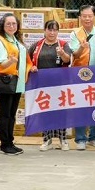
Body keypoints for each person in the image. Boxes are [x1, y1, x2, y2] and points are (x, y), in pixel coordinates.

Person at [68, 4, 95, 150]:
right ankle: (80, 138)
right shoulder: (75, 34)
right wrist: (82, 48)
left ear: (94, 17)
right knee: (81, 106)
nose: (87, 19)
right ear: (80, 17)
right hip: (80, 75)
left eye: (90, 16)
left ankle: (94, 137)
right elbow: (74, 55)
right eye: (84, 16)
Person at [31, 20, 71, 151]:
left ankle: (62, 139)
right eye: (49, 29)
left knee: (60, 112)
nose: (52, 32)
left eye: (55, 30)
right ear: (44, 30)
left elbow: (68, 60)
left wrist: (62, 54)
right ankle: (46, 140)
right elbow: (27, 61)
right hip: (42, 85)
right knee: (45, 111)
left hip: (60, 84)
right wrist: (32, 67)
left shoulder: (64, 45)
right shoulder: (37, 45)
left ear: (58, 32)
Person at [0, 13, 27, 156]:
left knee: (12, 114)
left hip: (17, 82)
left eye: (14, 24)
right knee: (5, 114)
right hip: (6, 82)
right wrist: (11, 61)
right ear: (3, 26)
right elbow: (1, 62)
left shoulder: (16, 40)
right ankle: (4, 144)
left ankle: (10, 141)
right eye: (8, 24)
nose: (11, 26)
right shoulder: (0, 41)